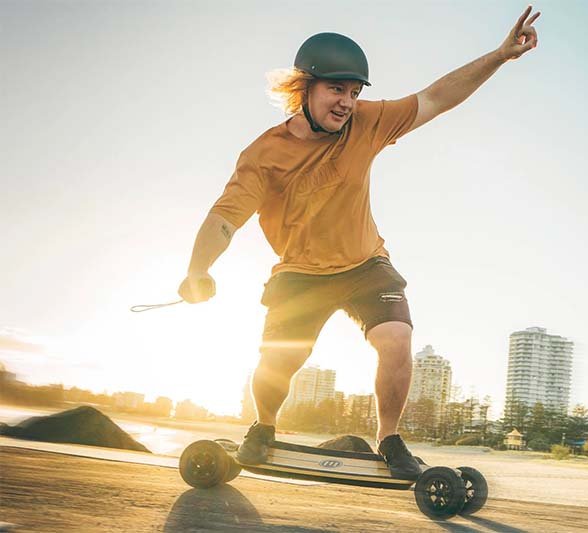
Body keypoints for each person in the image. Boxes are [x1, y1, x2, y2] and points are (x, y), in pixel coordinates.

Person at [178, 6, 541, 480]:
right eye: (336, 89)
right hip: (300, 271)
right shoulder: (264, 155)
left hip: (366, 262)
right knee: (278, 358)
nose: (347, 102)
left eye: (353, 92)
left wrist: (499, 56)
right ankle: (263, 427)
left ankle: (389, 439)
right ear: (302, 88)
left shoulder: (368, 122)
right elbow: (224, 219)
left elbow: (435, 98)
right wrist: (198, 270)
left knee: (397, 338)